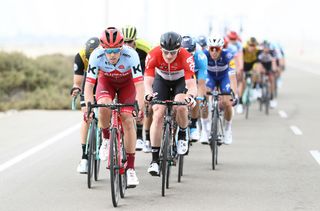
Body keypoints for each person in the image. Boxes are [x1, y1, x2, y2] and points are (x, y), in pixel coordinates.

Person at [84, 27, 144, 187]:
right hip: (107, 82)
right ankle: (105, 138)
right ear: (102, 48)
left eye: (116, 51)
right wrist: (88, 107)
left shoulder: (131, 54)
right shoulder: (96, 55)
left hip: (127, 84)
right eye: (108, 51)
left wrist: (140, 107)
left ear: (122, 46)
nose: (112, 55)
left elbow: (139, 86)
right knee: (103, 105)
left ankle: (130, 169)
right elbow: (89, 87)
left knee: (127, 119)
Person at [144, 32, 197, 176]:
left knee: (180, 105)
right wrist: (148, 93)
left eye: (172, 53)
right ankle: (155, 160)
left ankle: (182, 133)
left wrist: (190, 97)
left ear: (179, 50)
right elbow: (148, 81)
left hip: (181, 82)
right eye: (166, 52)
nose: (168, 56)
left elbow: (192, 85)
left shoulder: (186, 57)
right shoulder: (153, 54)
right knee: (158, 112)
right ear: (161, 49)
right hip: (161, 80)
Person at [70, 37, 100, 174]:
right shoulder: (81, 56)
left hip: (104, 83)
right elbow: (78, 81)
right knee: (86, 116)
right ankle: (84, 158)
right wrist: (76, 88)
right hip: (88, 83)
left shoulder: (105, 55)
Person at [121, 25, 153, 153]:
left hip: (142, 75)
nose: (127, 45)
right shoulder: (118, 48)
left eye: (130, 42)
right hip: (124, 75)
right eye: (125, 42)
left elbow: (152, 66)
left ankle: (139, 136)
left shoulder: (145, 47)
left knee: (142, 100)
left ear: (135, 40)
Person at [204, 35, 237, 145]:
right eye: (211, 49)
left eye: (216, 49)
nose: (214, 51)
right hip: (210, 77)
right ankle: (205, 128)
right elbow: (199, 76)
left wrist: (234, 94)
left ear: (221, 48)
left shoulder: (228, 55)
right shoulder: (204, 55)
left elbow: (232, 77)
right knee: (204, 97)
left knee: (227, 103)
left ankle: (227, 129)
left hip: (224, 78)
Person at [181, 35, 208, 143]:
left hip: (195, 75)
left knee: (196, 96)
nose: (188, 56)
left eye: (190, 53)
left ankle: (193, 125)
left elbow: (201, 84)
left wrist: (200, 99)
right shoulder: (176, 56)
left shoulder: (200, 57)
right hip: (181, 75)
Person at [236, 37, 260, 114]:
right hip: (244, 64)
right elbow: (240, 59)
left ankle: (254, 88)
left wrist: (256, 71)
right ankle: (240, 102)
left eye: (254, 45)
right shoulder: (243, 49)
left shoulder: (257, 50)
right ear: (248, 44)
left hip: (252, 64)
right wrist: (240, 69)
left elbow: (258, 62)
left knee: (257, 71)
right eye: (250, 45)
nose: (252, 47)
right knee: (243, 82)